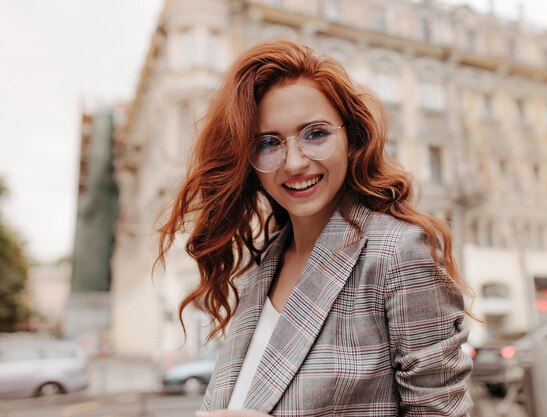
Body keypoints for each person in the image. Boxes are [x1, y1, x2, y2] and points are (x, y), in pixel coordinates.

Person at [157, 40, 474, 416]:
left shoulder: (399, 253)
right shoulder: (263, 264)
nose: (293, 163)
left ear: (352, 138)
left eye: (316, 134)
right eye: (268, 143)